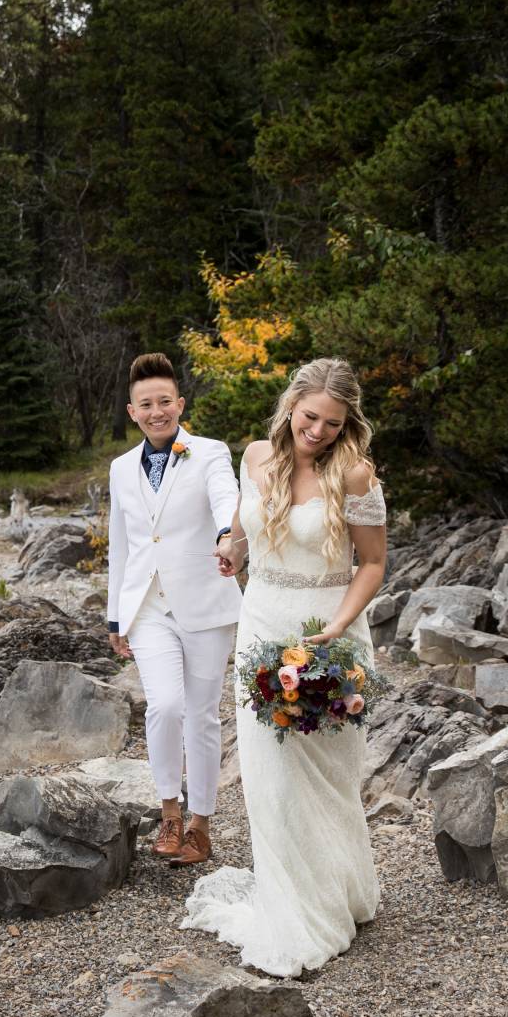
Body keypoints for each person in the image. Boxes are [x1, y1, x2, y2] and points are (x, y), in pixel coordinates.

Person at [182, 357, 386, 978]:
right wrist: (230, 548)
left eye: (331, 422)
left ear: (347, 423)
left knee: (326, 776)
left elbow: (372, 564)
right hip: (262, 618)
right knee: (270, 779)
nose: (317, 431)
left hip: (328, 631)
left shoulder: (355, 474)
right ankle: (291, 907)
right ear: (291, 405)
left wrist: (335, 628)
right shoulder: (254, 457)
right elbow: (246, 536)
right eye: (309, 417)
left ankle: (339, 895)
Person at [105, 353, 243, 867]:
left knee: (203, 717)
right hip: (147, 607)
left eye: (165, 401)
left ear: (179, 404)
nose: (157, 410)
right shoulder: (120, 469)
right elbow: (121, 544)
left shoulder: (209, 452)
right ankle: (168, 812)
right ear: (132, 411)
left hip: (206, 602)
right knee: (164, 705)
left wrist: (229, 535)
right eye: (147, 404)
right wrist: (116, 615)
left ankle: (201, 826)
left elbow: (226, 496)